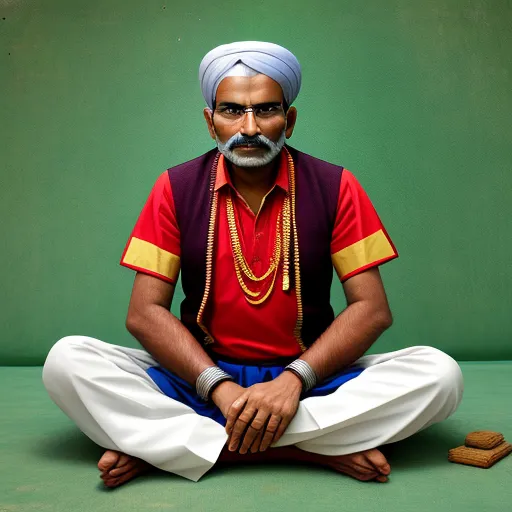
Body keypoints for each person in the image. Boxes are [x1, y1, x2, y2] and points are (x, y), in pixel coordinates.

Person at [42, 41, 464, 488]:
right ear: (210, 123)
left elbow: (372, 310)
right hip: (198, 380)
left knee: (440, 375)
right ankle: (306, 451)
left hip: (308, 380)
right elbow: (143, 314)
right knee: (66, 361)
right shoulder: (174, 187)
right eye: (231, 111)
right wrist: (220, 389)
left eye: (265, 111)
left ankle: (174, 447)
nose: (248, 127)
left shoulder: (336, 185)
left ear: (291, 119)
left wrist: (292, 382)